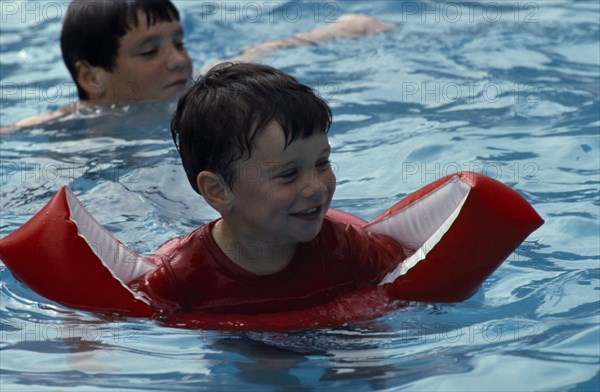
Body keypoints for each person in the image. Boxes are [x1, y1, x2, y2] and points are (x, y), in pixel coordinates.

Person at [128, 63, 409, 314]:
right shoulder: (178, 279)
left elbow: (414, 279)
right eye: (288, 174)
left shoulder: (347, 249)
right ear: (218, 190)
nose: (316, 188)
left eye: (322, 163)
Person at [1, 0, 394, 132]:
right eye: (149, 51)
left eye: (178, 41)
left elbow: (266, 48)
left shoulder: (203, 88)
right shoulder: (67, 129)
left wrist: (342, 29)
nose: (177, 59)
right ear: (90, 77)